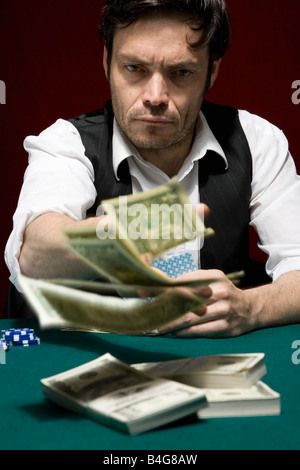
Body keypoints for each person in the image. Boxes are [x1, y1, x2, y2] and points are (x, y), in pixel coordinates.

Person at [4, 0, 300, 338]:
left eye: (181, 73)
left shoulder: (255, 140)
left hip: (207, 360)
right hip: (87, 358)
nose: (155, 96)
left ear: (212, 72)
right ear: (106, 62)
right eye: (134, 68)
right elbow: (34, 256)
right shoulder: (66, 143)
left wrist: (253, 308)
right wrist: (116, 234)